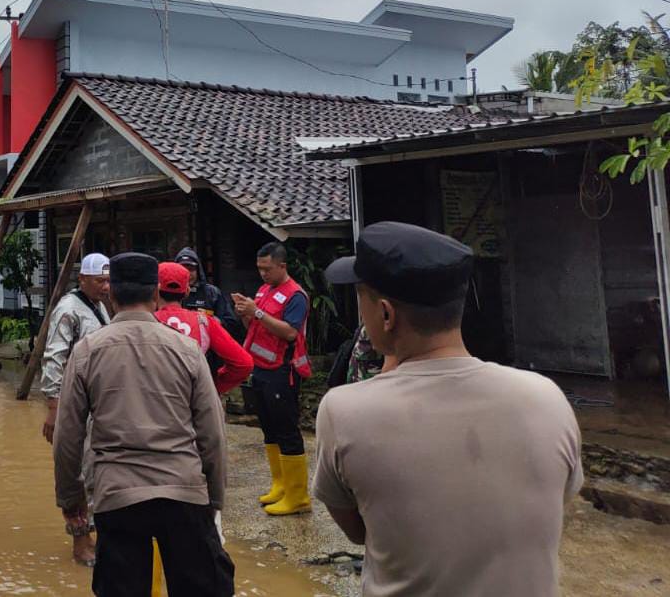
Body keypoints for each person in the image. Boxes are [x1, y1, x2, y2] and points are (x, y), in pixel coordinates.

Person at [316, 221, 582, 596]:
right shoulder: (546, 396)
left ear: (386, 314)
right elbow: (554, 499)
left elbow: (360, 530)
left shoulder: (343, 411)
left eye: (362, 301)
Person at [54, 252, 234, 596]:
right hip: (184, 492)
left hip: (116, 496)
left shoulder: (87, 351)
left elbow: (67, 436)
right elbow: (213, 434)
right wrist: (214, 499)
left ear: (111, 294)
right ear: (155, 294)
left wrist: (71, 497)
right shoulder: (187, 350)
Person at [40, 252, 111, 567]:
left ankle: (99, 537)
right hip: (73, 405)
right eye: (99, 281)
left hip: (98, 404)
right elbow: (54, 358)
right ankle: (81, 542)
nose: (105, 287)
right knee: (75, 474)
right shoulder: (68, 309)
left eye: (108, 281)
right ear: (82, 279)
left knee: (97, 471)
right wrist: (54, 407)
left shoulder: (100, 307)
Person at [232, 242, 312, 516]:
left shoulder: (296, 295)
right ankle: (281, 485)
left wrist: (257, 311)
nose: (263, 274)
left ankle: (298, 496)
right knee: (269, 429)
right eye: (259, 269)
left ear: (282, 266)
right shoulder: (263, 291)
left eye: (267, 269)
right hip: (260, 368)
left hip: (282, 371)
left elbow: (290, 333)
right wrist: (245, 312)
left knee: (287, 430)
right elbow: (255, 326)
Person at [154, 262, 253, 395]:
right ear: (187, 291)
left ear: (155, 290)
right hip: (195, 398)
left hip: (154, 399)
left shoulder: (144, 321)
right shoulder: (204, 322)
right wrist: (212, 387)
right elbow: (244, 364)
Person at [173, 248, 244, 340]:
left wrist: (215, 321)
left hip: (208, 344)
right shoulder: (168, 293)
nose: (188, 274)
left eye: (191, 269)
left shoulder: (212, 293)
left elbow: (232, 325)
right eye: (183, 269)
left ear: (198, 270)